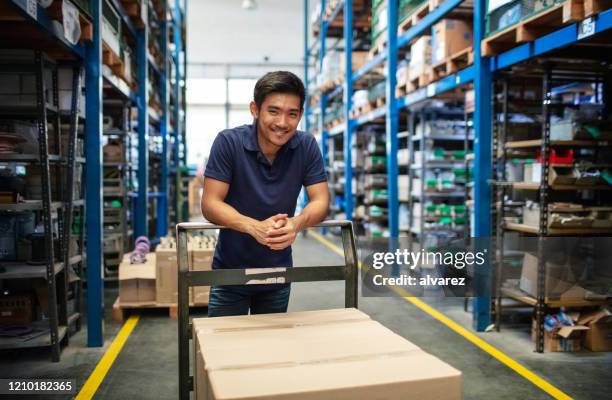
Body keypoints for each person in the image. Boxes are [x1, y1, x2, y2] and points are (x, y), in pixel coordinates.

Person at [201, 71, 329, 317]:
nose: (282, 122)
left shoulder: (306, 146)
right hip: (230, 273)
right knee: (225, 350)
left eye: (292, 114)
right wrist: (253, 227)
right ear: (255, 109)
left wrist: (297, 223)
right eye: (273, 111)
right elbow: (210, 203)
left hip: (277, 273)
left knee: (271, 350)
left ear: (301, 115)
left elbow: (321, 200)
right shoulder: (229, 142)